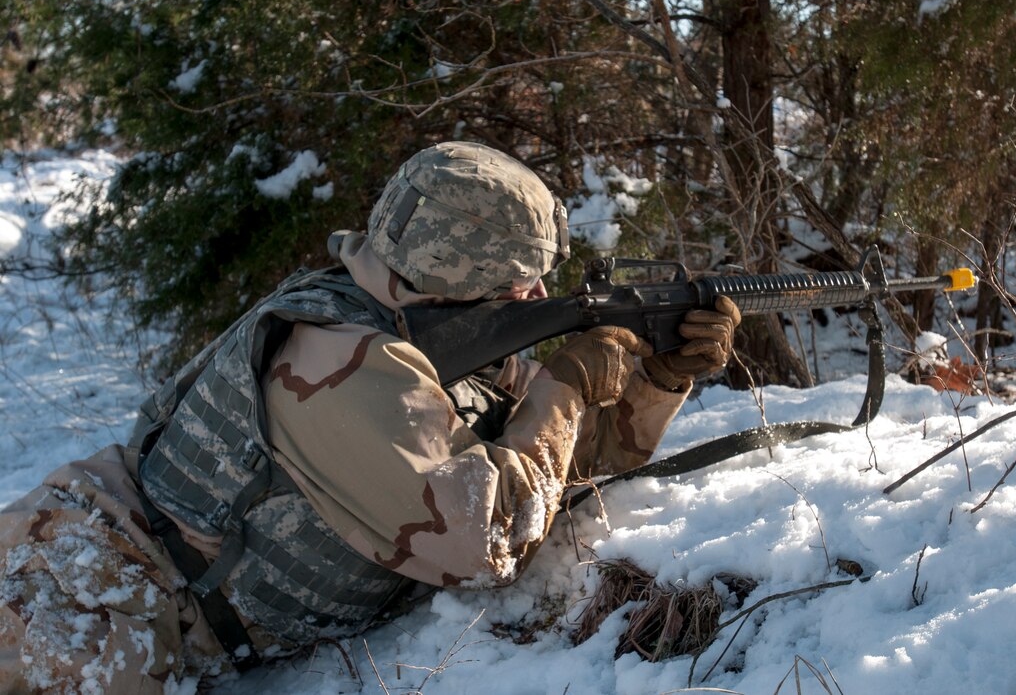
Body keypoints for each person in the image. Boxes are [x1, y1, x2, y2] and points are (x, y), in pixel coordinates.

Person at [0, 141, 741, 692]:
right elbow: (485, 540)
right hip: (77, 583)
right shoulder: (336, 359)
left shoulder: (431, 330)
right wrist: (569, 380)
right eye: (523, 278)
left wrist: (655, 377)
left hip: (151, 604)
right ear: (463, 266)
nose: (537, 291)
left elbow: (550, 465)